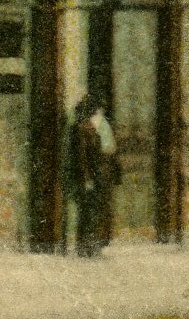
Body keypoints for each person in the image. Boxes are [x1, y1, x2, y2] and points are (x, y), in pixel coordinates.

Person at [71, 95, 120, 258]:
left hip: (104, 175)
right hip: (93, 176)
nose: (100, 111)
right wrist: (86, 179)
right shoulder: (83, 128)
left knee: (101, 210)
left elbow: (112, 150)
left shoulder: (104, 125)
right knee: (88, 211)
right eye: (97, 108)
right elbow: (82, 157)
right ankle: (86, 246)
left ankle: (98, 244)